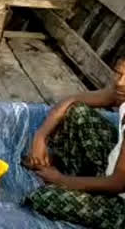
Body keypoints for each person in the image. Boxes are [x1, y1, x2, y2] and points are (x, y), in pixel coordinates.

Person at [24, 57, 125, 228]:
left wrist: (60, 180)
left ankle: (69, 177)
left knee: (43, 198)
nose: (120, 82)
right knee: (77, 112)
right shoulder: (121, 92)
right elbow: (70, 101)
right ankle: (68, 171)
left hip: (120, 200)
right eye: (118, 73)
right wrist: (39, 137)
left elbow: (118, 183)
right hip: (113, 172)